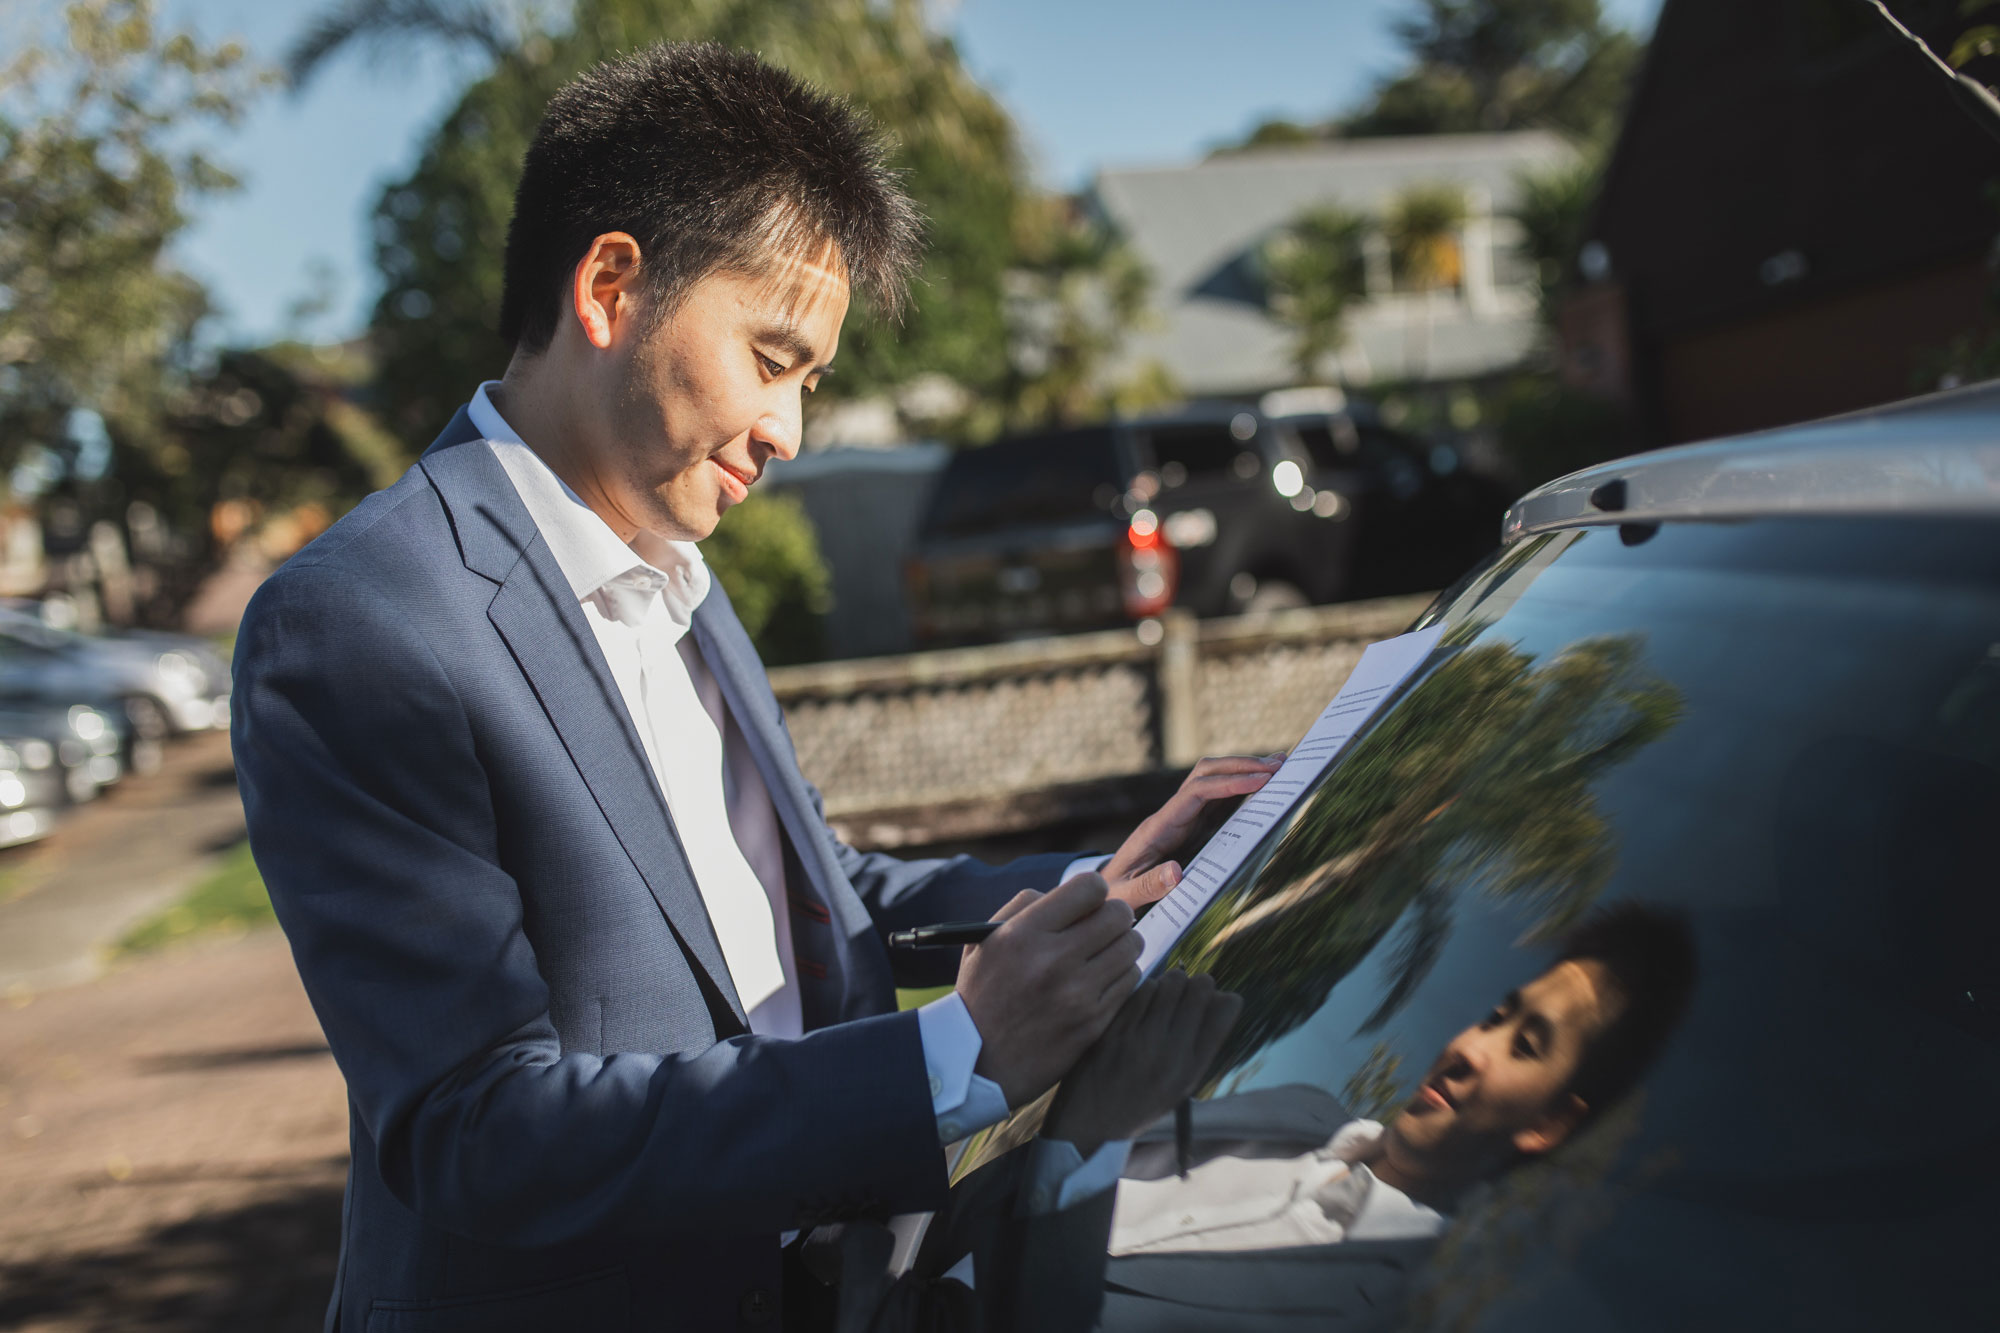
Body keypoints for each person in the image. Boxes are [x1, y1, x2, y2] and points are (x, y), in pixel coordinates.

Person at [230, 42, 1280, 1333]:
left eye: (811, 382)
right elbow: (475, 1128)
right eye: (772, 358)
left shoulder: (679, 570)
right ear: (612, 285)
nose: (788, 431)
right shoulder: (362, 617)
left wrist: (1113, 880)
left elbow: (811, 905)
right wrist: (957, 1056)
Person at [892, 902, 1696, 1331]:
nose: (1469, 1047)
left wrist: (1088, 1138)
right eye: (1494, 1013)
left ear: (1548, 1125)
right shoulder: (1301, 1107)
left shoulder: (1401, 1310)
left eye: (1524, 1044)